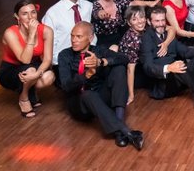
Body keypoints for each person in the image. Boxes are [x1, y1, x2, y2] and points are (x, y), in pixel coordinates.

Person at [58, 22, 144, 150]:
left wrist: (101, 62)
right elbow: (66, 86)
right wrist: (86, 75)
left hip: (100, 98)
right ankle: (125, 132)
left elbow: (124, 58)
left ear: (90, 38)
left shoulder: (99, 50)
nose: (73, 40)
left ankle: (119, 128)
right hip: (79, 104)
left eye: (79, 37)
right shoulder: (65, 55)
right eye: (72, 36)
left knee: (119, 68)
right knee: (88, 94)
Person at [0, 0, 55, 118]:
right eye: (24, 14)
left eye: (33, 12)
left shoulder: (47, 31)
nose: (30, 17)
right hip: (10, 70)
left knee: (49, 76)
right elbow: (25, 60)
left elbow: (47, 60)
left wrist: (37, 74)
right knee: (30, 70)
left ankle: (30, 91)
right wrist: (31, 35)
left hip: (33, 67)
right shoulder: (10, 33)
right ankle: (24, 98)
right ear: (17, 16)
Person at [42, 0, 95, 72]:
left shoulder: (89, 6)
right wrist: (58, 64)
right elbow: (47, 44)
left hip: (87, 58)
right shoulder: (52, 13)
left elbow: (93, 32)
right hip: (65, 62)